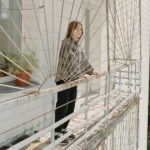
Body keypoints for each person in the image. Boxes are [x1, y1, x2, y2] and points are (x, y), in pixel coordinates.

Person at [55, 21, 100, 145]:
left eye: (81, 29)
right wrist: (81, 75)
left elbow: (83, 61)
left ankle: (63, 129)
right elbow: (71, 63)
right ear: (71, 30)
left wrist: (91, 71)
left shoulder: (77, 45)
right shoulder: (66, 44)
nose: (80, 32)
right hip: (63, 79)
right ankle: (57, 133)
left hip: (73, 80)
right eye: (77, 29)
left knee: (70, 107)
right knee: (62, 106)